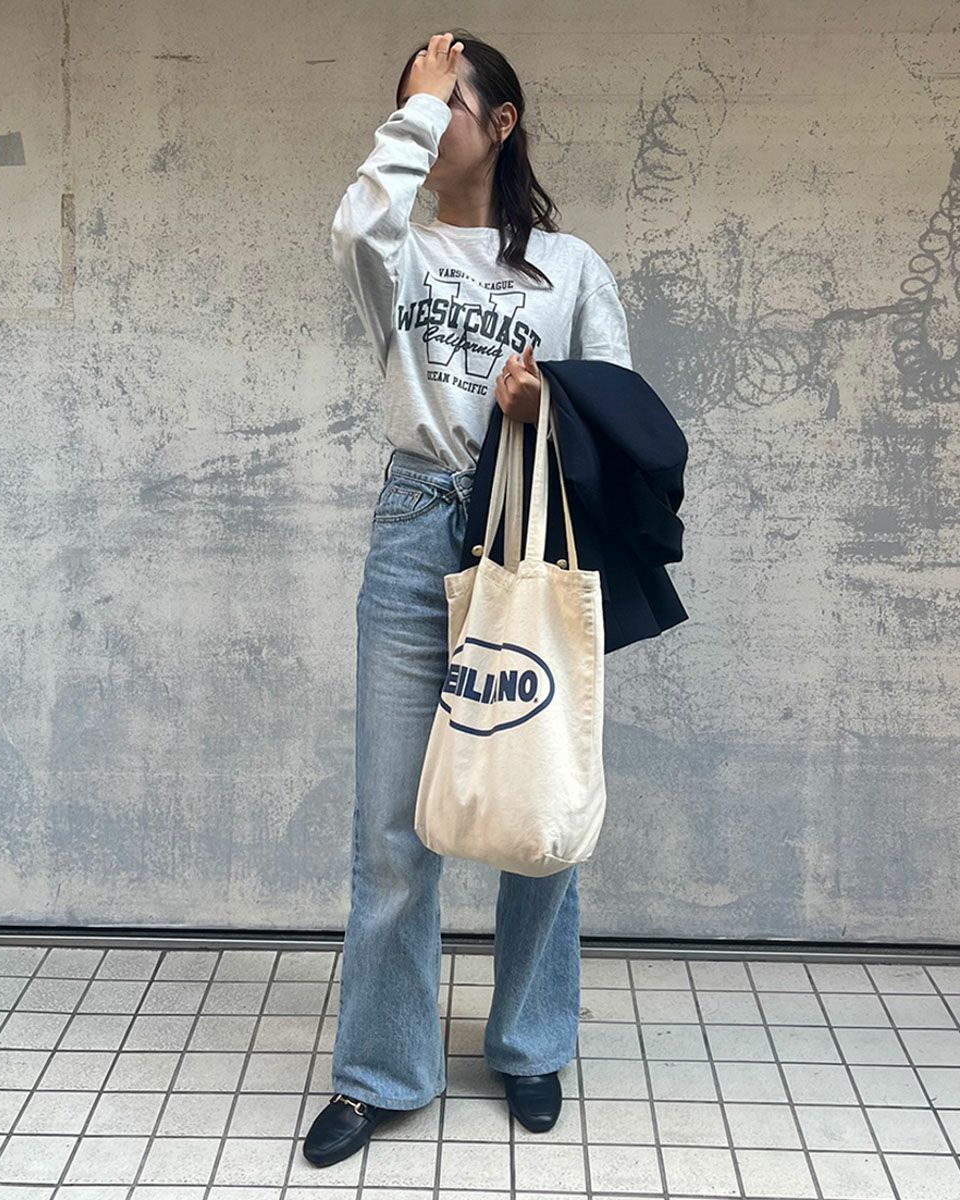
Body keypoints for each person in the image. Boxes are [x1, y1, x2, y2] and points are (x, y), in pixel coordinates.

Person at [304, 29, 633, 1169]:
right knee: (394, 827)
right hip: (414, 524)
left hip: (525, 530)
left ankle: (531, 1044)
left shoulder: (571, 267)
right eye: (412, 101)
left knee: (534, 804)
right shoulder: (396, 249)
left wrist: (550, 409)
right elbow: (356, 223)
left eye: (448, 100)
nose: (427, 116)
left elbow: (623, 415)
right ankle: (382, 1069)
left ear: (502, 124)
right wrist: (416, 105)